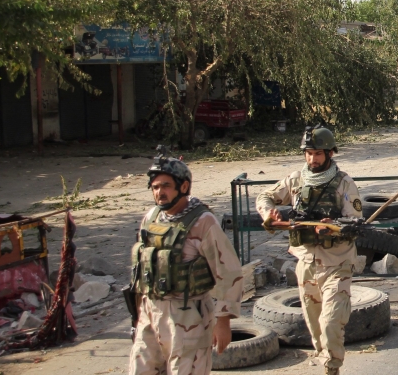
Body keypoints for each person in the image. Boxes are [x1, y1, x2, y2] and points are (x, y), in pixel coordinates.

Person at [256, 125, 363, 375]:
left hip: (337, 264)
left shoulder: (344, 184)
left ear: (330, 154)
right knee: (315, 328)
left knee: (330, 323)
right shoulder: (296, 180)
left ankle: (332, 368)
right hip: (306, 263)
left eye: (317, 154)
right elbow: (265, 196)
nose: (312, 159)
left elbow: (355, 222)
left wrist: (333, 228)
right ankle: (325, 358)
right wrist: (267, 213)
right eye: (308, 153)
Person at [127, 148, 243, 375]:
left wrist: (223, 321)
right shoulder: (151, 218)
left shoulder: (202, 221)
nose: (160, 192)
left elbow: (228, 272)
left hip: (189, 316)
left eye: (166, 186)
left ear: (183, 187)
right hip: (150, 311)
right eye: (156, 187)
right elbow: (143, 267)